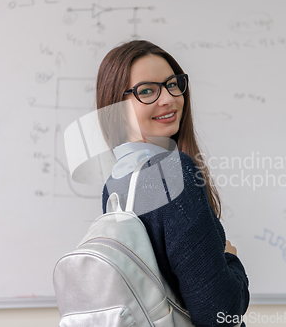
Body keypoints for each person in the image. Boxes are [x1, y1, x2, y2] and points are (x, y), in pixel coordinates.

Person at [96, 40, 250, 327]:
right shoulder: (173, 173)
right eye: (146, 91)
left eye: (172, 84)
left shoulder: (114, 186)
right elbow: (220, 315)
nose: (168, 98)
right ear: (116, 108)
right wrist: (231, 260)